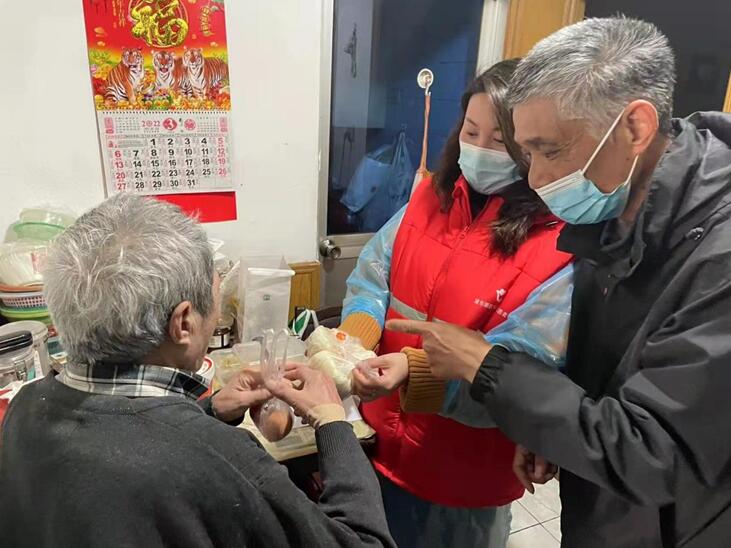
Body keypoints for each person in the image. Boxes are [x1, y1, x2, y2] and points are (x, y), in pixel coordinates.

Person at [384, 16, 731, 548]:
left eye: (550, 151)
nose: (536, 178)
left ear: (635, 127)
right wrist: (551, 434)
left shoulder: (716, 257)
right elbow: (599, 379)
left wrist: (485, 363)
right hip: (605, 513)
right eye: (527, 155)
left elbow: (656, 451)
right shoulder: (612, 217)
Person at [0, 194, 395, 548]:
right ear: (184, 322)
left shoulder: (27, 406)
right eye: (216, 300)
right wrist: (333, 422)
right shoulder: (223, 460)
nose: (217, 315)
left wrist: (209, 411)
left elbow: (129, 444)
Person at [337, 59, 572, 547]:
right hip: (380, 444)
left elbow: (524, 366)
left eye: (500, 140)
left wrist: (414, 372)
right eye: (471, 131)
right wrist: (354, 340)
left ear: (532, 148)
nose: (480, 149)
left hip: (465, 478)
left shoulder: (556, 243)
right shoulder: (429, 197)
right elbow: (372, 276)